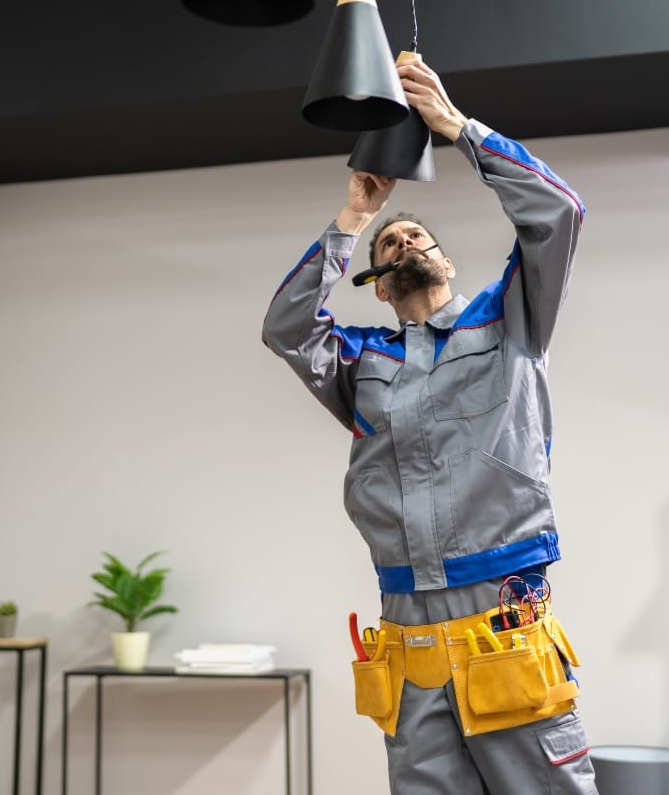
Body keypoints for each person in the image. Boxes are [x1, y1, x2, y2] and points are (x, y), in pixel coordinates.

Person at [261, 58, 597, 794]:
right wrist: (355, 219)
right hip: (406, 635)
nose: (404, 241)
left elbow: (559, 214)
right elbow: (287, 330)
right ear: (376, 286)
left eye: (416, 235)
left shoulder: (510, 320)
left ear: (444, 261)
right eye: (391, 244)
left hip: (501, 620)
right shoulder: (363, 361)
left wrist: (456, 129)